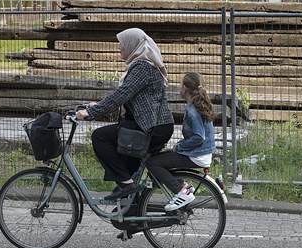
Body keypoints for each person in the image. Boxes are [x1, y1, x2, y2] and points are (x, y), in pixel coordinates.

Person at [76, 28, 174, 200]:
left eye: (122, 45)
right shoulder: (141, 66)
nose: (120, 49)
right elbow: (126, 97)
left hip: (152, 127)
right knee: (128, 167)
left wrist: (91, 112)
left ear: (132, 46)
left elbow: (121, 95)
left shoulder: (143, 67)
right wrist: (97, 105)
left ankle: (127, 185)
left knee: (100, 137)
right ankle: (133, 215)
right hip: (152, 125)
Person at [146, 72, 216, 210]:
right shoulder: (196, 105)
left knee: (152, 163)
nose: (179, 87)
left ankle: (181, 192)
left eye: (179, 84)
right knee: (161, 159)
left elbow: (199, 137)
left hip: (197, 155)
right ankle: (183, 186)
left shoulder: (193, 111)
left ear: (184, 87)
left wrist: (179, 147)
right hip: (199, 153)